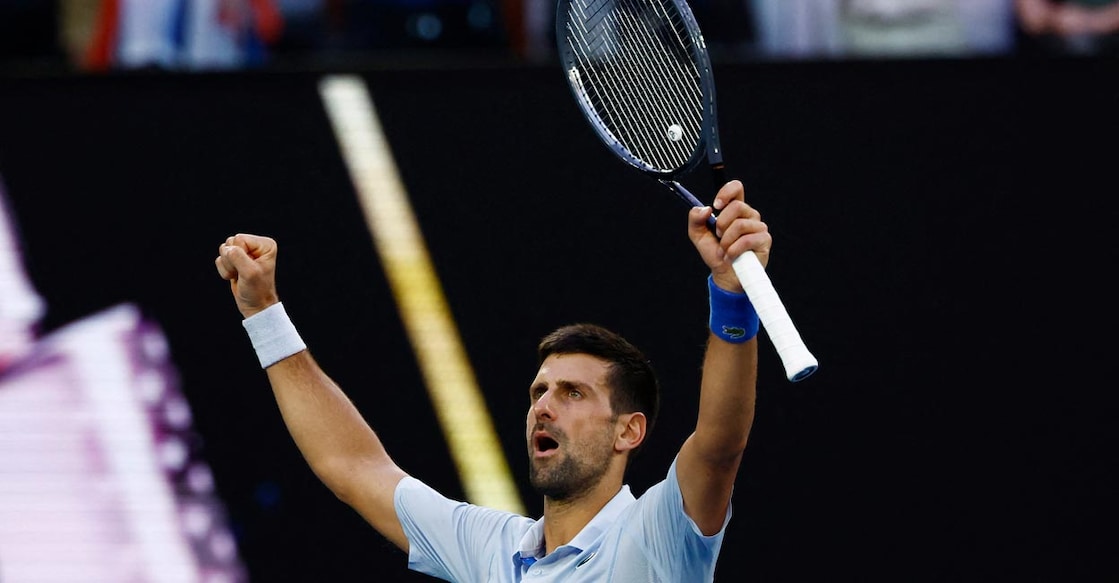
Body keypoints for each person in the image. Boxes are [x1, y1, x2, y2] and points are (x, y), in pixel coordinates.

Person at [214, 179, 769, 581]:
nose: (544, 407)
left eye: (573, 393)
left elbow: (720, 445)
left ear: (629, 431)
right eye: (539, 392)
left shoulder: (657, 536)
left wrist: (730, 293)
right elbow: (353, 467)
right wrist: (264, 313)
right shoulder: (492, 549)